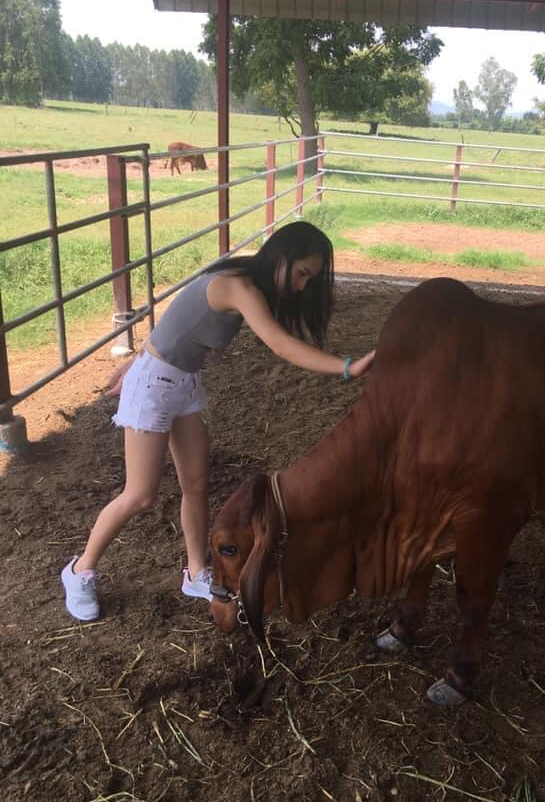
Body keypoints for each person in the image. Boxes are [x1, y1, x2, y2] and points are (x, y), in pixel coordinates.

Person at [61, 221, 375, 621]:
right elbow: (280, 345)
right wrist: (348, 367)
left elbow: (180, 320)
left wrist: (141, 356)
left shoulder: (244, 280)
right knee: (140, 495)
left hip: (182, 382)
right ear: (282, 256)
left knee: (195, 485)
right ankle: (80, 571)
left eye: (308, 280)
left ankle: (195, 573)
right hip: (155, 385)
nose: (301, 287)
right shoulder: (237, 286)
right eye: (301, 274)